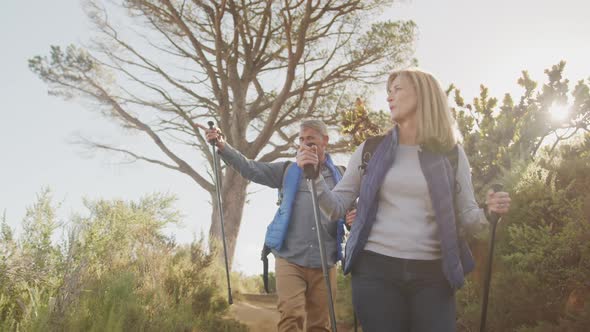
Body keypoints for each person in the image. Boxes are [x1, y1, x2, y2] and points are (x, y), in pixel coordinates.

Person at [296, 68, 512, 332]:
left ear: (422, 94)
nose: (389, 97)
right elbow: (335, 207)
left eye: (397, 89)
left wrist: (489, 212)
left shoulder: (452, 154)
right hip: (376, 271)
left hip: (433, 275)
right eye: (389, 92)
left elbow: (469, 217)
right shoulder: (370, 150)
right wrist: (315, 177)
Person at [206, 120, 354, 332]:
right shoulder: (286, 170)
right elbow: (251, 168)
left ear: (325, 142)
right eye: (301, 140)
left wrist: (351, 220)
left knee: (320, 325)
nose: (304, 144)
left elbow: (349, 209)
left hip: (325, 262)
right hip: (289, 258)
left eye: (310, 139)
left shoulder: (341, 174)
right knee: (291, 316)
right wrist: (222, 146)